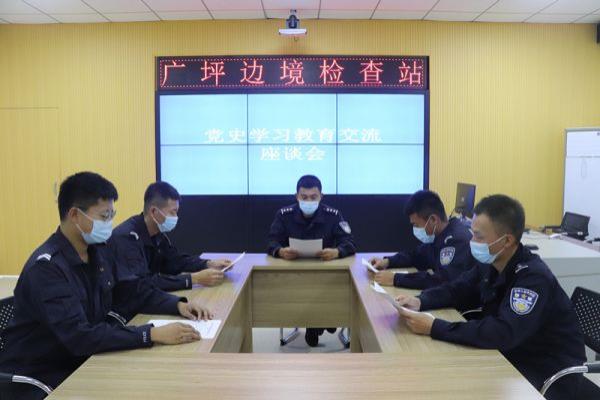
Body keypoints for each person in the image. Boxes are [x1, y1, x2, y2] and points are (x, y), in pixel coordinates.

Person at [0, 172, 212, 400]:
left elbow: (131, 290)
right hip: (41, 374)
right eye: (104, 216)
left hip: (82, 359)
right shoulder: (47, 269)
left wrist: (177, 305)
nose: (109, 223)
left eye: (112, 215)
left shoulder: (97, 251)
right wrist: (150, 334)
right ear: (74, 215)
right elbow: (79, 336)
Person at [394, 194, 586, 400]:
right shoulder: (492, 262)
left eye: (478, 236)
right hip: (513, 353)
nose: (471, 242)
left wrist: (434, 327)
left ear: (507, 240)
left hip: (547, 369)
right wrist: (420, 300)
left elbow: (502, 332)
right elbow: (458, 289)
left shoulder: (533, 279)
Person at [267, 174, 356, 346]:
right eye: (304, 197)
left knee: (326, 289)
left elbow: (350, 242)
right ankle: (320, 321)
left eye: (313, 197)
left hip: (326, 275)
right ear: (296, 196)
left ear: (321, 196)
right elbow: (271, 241)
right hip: (293, 275)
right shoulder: (284, 215)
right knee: (304, 292)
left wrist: (337, 252)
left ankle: (317, 322)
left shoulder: (334, 215)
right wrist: (280, 251)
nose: (309, 201)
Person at [111, 181, 230, 292]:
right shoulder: (127, 238)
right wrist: (194, 279)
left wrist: (207, 264)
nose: (176, 217)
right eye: (172, 212)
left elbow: (175, 261)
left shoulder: (157, 234)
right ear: (154, 212)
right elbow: (143, 283)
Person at [370, 190, 473, 290]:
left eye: (416, 225)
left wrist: (395, 279)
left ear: (433, 220)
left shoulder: (457, 240)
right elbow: (416, 256)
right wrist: (388, 261)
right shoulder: (439, 234)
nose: (415, 229)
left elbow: (441, 280)